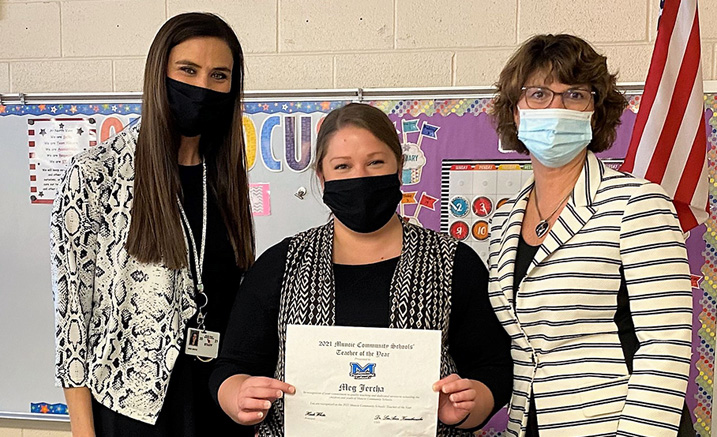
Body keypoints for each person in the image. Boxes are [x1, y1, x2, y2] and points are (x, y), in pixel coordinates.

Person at [210, 103, 512, 436]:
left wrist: (469, 407)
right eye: (342, 166)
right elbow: (233, 366)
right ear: (322, 178)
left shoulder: (454, 263)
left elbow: (493, 368)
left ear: (399, 168)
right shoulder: (280, 265)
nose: (360, 177)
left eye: (375, 162)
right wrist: (238, 394)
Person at [50, 13, 255, 437]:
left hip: (218, 406)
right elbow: (73, 320)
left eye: (219, 75)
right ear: (158, 73)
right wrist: (83, 432)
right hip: (134, 413)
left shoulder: (224, 177)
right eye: (187, 70)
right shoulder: (96, 174)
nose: (202, 87)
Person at [489, 34, 694, 436]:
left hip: (619, 427)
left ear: (596, 113)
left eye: (575, 95)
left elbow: (664, 346)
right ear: (516, 113)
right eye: (539, 95)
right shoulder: (505, 218)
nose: (557, 108)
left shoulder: (638, 202)